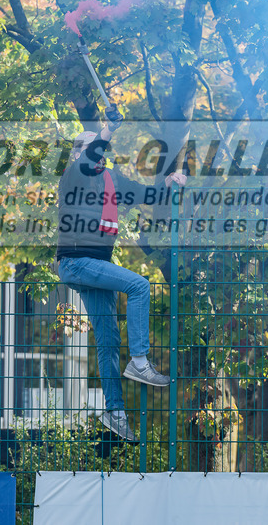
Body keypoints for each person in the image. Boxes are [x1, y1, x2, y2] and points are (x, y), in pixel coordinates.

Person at [55, 107, 186, 442]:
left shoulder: (113, 180)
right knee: (140, 286)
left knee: (109, 339)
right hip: (76, 262)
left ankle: (114, 412)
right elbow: (89, 157)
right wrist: (106, 130)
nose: (98, 153)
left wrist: (171, 181)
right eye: (89, 147)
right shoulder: (74, 175)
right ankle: (140, 360)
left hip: (96, 268)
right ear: (78, 153)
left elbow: (150, 194)